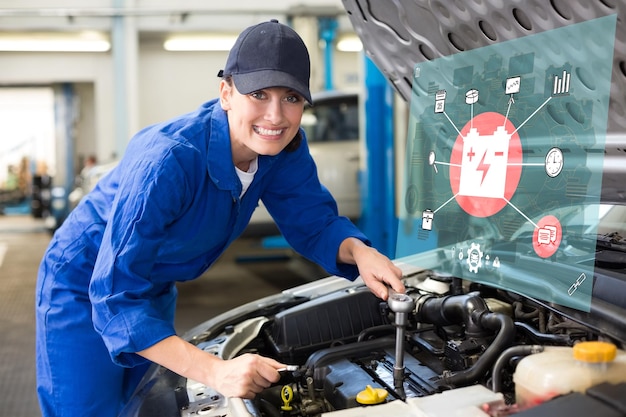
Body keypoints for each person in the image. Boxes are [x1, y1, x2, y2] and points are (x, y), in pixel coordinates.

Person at [35, 19, 405, 417]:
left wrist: (360, 252)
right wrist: (216, 371)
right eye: (259, 94)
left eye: (292, 97)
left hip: (151, 282)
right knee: (87, 409)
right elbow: (114, 297)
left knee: (138, 405)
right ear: (226, 92)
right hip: (84, 282)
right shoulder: (169, 160)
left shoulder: (282, 151)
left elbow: (314, 220)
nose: (276, 115)